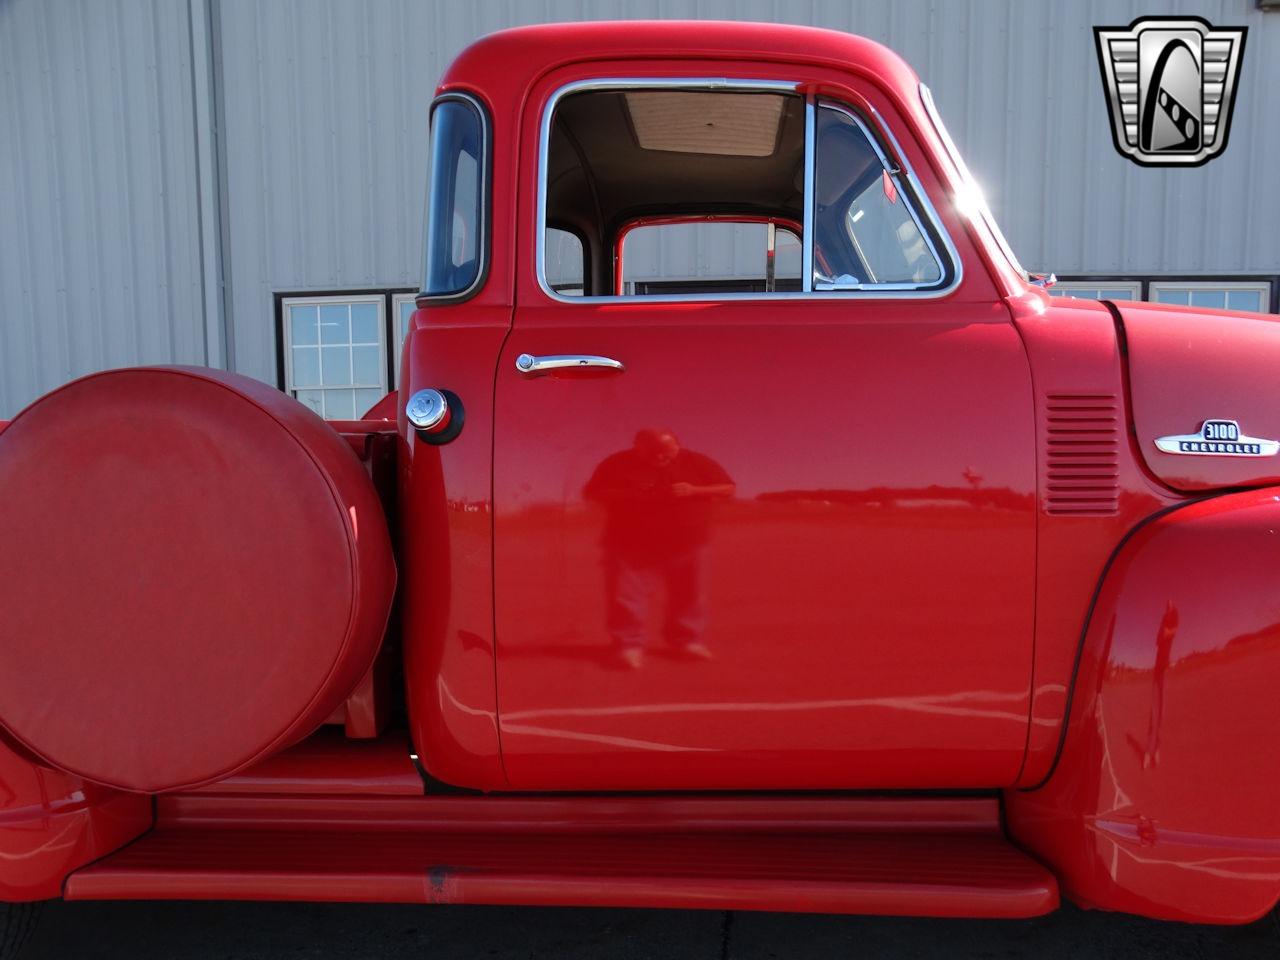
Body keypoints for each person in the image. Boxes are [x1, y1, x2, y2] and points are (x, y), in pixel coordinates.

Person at [584, 430, 735, 669]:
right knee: (627, 595)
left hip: (689, 539)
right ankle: (629, 645)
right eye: (653, 453)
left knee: (689, 592)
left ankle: (687, 640)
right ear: (637, 447)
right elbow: (592, 492)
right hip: (629, 541)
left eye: (667, 452)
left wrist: (694, 490)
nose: (661, 457)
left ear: (677, 444)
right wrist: (636, 494)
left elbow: (728, 488)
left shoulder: (696, 461)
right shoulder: (616, 463)